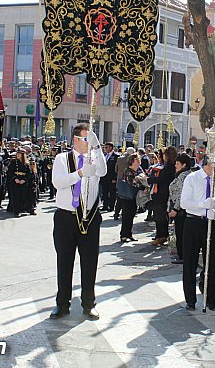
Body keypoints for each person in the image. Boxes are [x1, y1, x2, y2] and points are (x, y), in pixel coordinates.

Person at [50, 123, 106, 320]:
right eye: (86, 139)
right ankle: (62, 304)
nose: (88, 143)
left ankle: (89, 303)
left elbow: (103, 171)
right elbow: (58, 182)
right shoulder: (62, 158)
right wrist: (80, 173)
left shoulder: (93, 157)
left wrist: (97, 147)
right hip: (66, 217)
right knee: (64, 262)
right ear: (75, 139)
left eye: (91, 139)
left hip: (90, 217)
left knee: (90, 262)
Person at [180, 155, 215, 311]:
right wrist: (202, 205)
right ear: (209, 164)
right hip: (193, 221)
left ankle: (211, 298)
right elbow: (184, 203)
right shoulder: (192, 178)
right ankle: (190, 300)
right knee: (190, 261)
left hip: (210, 223)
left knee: (211, 262)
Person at [147, 146, 177, 246]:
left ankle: (161, 236)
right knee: (160, 215)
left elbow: (161, 179)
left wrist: (149, 179)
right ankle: (160, 235)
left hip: (163, 193)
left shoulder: (169, 166)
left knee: (160, 215)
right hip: (162, 192)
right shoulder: (168, 165)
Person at [168, 153, 193, 264]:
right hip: (181, 208)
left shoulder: (183, 176)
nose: (175, 166)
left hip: (181, 210)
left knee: (181, 233)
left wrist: (175, 209)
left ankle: (183, 256)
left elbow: (181, 194)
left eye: (178, 164)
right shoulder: (183, 174)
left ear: (184, 165)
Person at [119, 154, 145, 242]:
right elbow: (132, 183)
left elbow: (143, 176)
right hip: (127, 196)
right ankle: (123, 235)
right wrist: (142, 186)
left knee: (132, 215)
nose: (139, 161)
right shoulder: (128, 171)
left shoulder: (138, 169)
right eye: (137, 160)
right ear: (132, 161)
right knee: (126, 216)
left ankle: (129, 234)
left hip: (134, 196)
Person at [100, 142, 118, 212]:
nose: (105, 149)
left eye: (106, 147)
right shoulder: (104, 155)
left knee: (112, 192)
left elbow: (117, 168)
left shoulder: (116, 156)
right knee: (104, 192)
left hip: (111, 178)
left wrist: (115, 178)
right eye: (104, 147)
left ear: (111, 148)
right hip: (104, 177)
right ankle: (105, 205)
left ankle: (111, 206)